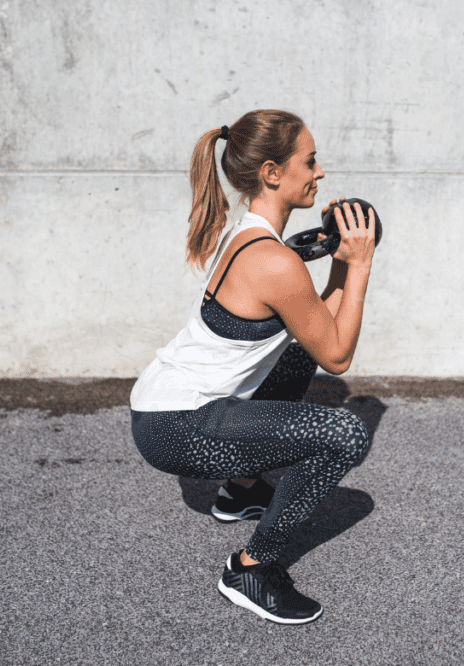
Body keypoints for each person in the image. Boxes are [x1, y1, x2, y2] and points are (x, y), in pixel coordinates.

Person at [129, 109, 377, 625]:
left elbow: (317, 331)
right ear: (272, 173)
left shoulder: (248, 235)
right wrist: (359, 264)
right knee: (345, 435)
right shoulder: (275, 262)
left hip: (163, 406)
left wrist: (333, 257)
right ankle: (250, 569)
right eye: (309, 162)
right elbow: (338, 356)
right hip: (177, 426)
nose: (319, 173)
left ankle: (240, 489)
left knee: (295, 347)